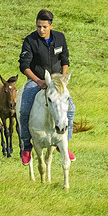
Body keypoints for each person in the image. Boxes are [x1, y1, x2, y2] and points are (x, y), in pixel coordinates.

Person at [18, 9, 76, 165]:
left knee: (71, 109)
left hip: (57, 81)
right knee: (24, 109)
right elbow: (24, 66)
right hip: (37, 80)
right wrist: (38, 81)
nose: (41, 30)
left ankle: (65, 143)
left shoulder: (60, 38)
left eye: (44, 27)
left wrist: (63, 79)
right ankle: (26, 146)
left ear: (51, 25)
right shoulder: (30, 40)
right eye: (38, 26)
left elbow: (65, 59)